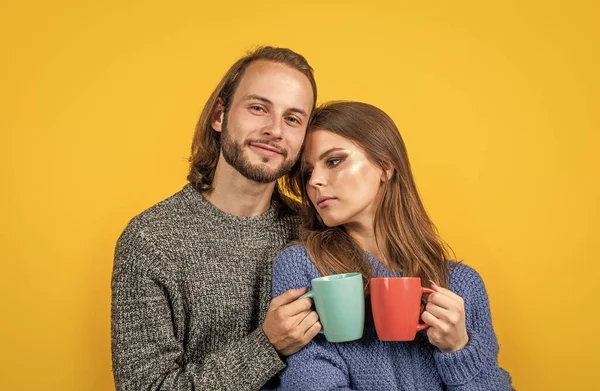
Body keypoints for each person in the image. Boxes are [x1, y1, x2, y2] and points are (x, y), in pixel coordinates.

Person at [111, 46, 322, 391]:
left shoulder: (313, 232)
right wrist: (265, 346)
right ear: (220, 116)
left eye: (293, 119)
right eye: (258, 108)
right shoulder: (151, 240)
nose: (275, 130)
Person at [268, 101, 514, 390]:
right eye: (308, 172)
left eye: (334, 161)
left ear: (385, 165)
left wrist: (459, 349)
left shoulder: (462, 285)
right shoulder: (303, 267)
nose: (315, 182)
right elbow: (310, 382)